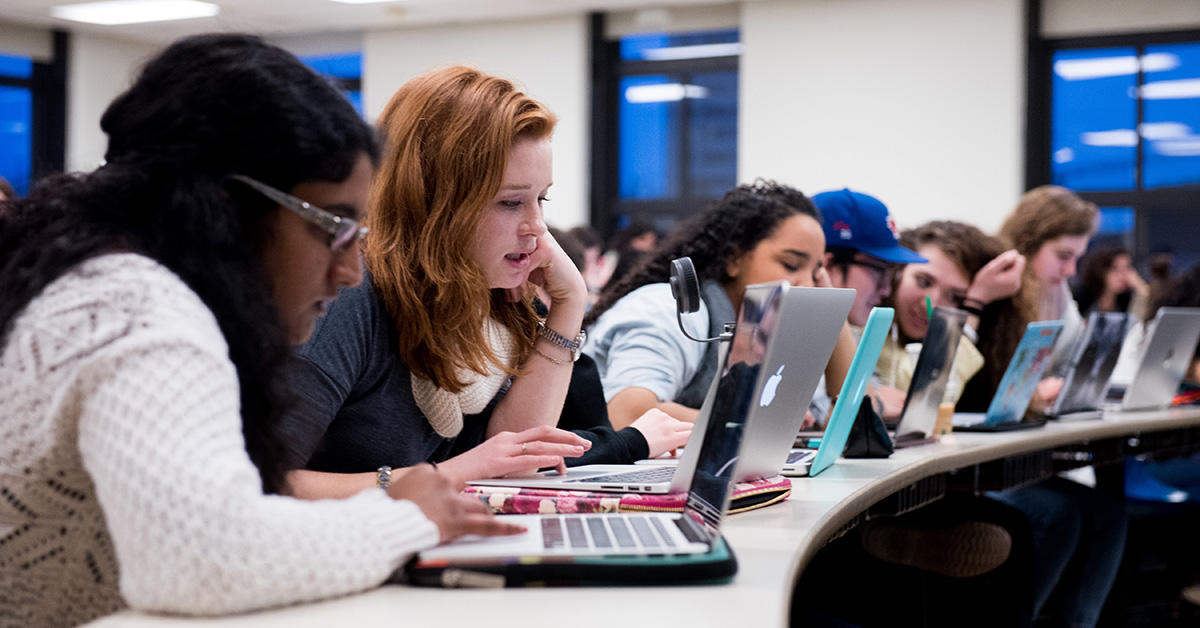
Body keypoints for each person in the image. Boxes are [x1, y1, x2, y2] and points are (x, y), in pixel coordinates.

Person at [0, 35, 519, 627]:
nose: (352, 271)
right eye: (334, 227)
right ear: (229, 209)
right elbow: (200, 560)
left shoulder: (103, 283)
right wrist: (407, 518)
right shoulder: (144, 316)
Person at [279, 66, 690, 495]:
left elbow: (517, 461)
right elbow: (265, 484)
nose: (537, 227)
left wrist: (570, 302)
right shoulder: (347, 298)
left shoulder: (493, 296)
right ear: (433, 202)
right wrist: (447, 473)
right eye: (511, 202)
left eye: (541, 198)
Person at [584, 180, 853, 430]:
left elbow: (852, 423)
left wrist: (833, 313)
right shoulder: (671, 310)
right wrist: (748, 422)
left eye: (815, 273)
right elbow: (627, 415)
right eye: (791, 265)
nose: (808, 284)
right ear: (734, 258)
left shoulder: (764, 332)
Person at [873, 221, 1028, 414]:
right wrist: (974, 306)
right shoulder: (867, 325)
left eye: (956, 297)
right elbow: (923, 399)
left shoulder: (986, 338)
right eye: (923, 281)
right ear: (897, 272)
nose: (931, 304)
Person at [1074, 245, 1149, 319]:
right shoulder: (1082, 296)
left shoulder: (1126, 299)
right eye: (1115, 269)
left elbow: (1135, 322)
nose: (1123, 275)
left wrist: (1139, 286)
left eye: (1127, 268)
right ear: (1101, 271)